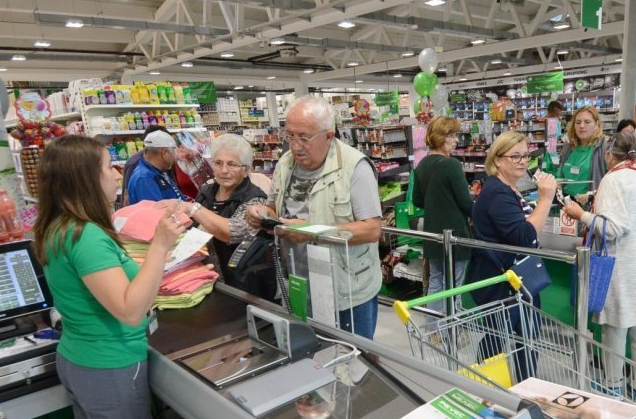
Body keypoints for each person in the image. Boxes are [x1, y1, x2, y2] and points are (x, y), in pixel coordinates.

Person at [33, 136, 186, 419]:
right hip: (111, 369)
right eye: (107, 167)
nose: (117, 174)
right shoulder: (87, 238)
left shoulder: (58, 227)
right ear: (85, 178)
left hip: (79, 360)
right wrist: (159, 247)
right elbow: (130, 307)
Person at [246, 96, 382, 338]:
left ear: (328, 135)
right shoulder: (285, 165)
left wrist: (312, 233)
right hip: (299, 284)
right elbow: (274, 209)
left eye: (304, 137)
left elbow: (372, 230)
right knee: (312, 356)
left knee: (357, 362)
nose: (296, 146)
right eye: (290, 136)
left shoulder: (355, 168)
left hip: (347, 290)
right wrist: (263, 214)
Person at [562, 132, 636, 407]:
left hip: (625, 267)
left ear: (610, 155)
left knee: (615, 329)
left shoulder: (613, 178)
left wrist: (580, 215)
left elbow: (612, 228)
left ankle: (612, 390)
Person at [467, 131, 557, 380]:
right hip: (503, 283)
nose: (521, 161)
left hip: (519, 280)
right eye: (514, 156)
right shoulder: (497, 192)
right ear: (497, 160)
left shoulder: (509, 188)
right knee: (498, 338)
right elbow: (524, 236)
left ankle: (526, 384)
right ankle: (483, 387)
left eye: (525, 155)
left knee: (524, 336)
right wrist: (546, 199)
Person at [173, 134, 273, 300]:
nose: (224, 170)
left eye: (232, 164)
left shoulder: (255, 198)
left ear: (246, 169)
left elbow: (232, 232)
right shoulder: (206, 192)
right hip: (209, 282)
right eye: (218, 163)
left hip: (245, 286)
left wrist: (194, 209)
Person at [412, 116, 473, 324]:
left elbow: (417, 200)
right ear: (440, 137)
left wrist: (437, 203)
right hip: (455, 233)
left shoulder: (421, 165)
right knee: (454, 285)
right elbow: (466, 203)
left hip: (432, 233)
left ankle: (434, 329)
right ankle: (452, 330)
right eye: (452, 135)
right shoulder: (452, 165)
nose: (456, 140)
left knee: (436, 281)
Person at [546, 106, 607, 201]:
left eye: (587, 122)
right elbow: (561, 174)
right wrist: (558, 187)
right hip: (566, 202)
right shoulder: (569, 146)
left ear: (596, 124)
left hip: (589, 205)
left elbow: (611, 181)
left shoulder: (602, 148)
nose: (582, 126)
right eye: (578, 122)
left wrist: (591, 196)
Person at [126, 131, 186, 203]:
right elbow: (156, 211)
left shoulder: (157, 172)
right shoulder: (144, 178)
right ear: (165, 153)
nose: (174, 156)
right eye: (173, 152)